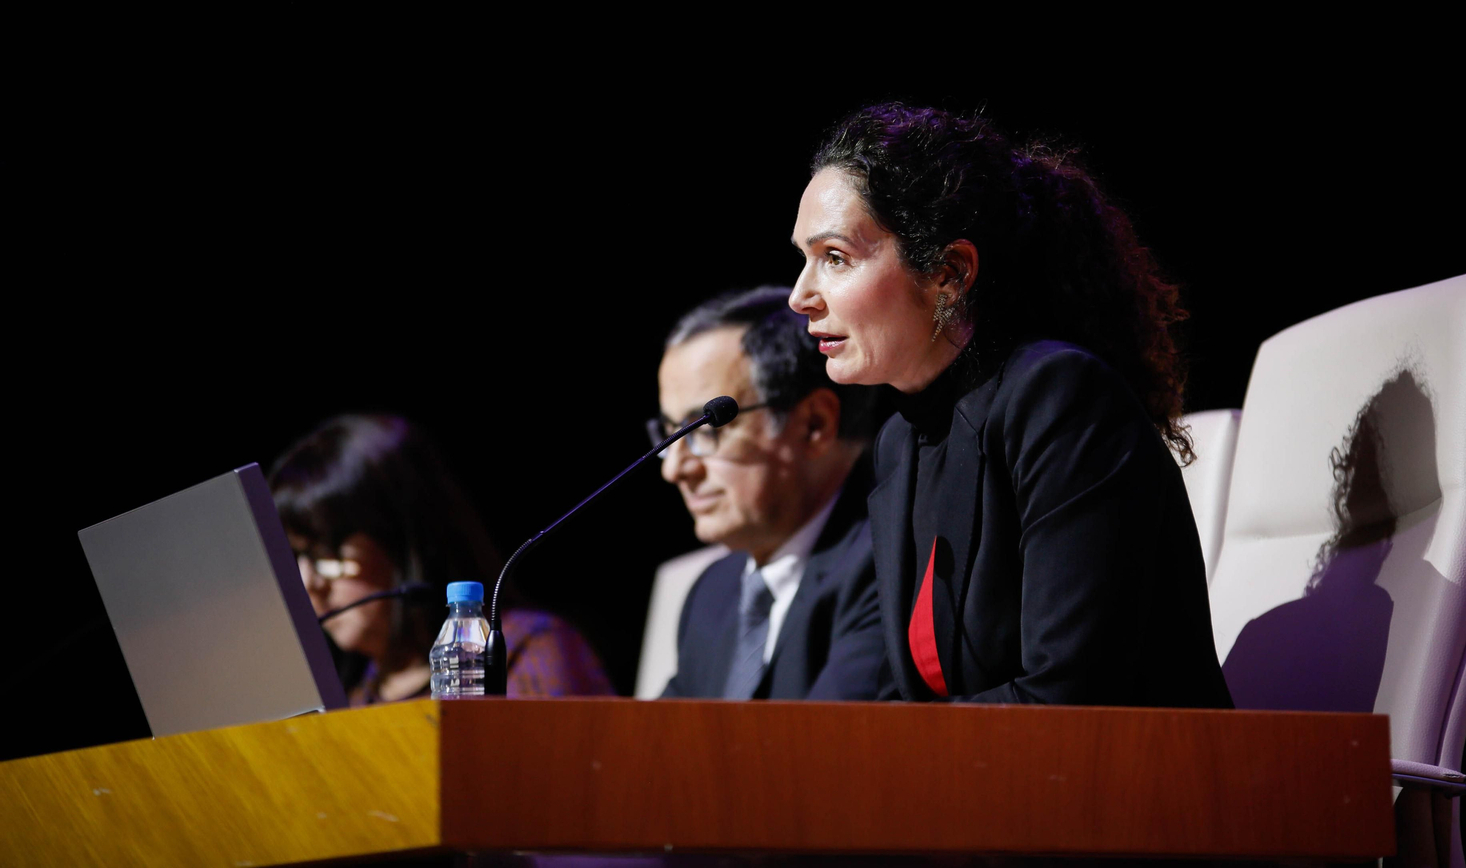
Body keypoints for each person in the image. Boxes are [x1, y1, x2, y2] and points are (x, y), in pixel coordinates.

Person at [788, 104, 1233, 707]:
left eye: (835, 258)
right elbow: (902, 704)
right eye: (804, 260)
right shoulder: (900, 442)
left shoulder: (1060, 400)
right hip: (994, 783)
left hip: (1138, 786)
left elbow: (1071, 698)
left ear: (949, 273)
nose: (800, 297)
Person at [270, 414, 613, 704]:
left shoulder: (527, 652)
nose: (310, 585)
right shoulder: (358, 699)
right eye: (298, 557)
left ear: (403, 539)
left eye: (326, 554)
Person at [653, 287, 886, 700]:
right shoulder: (712, 594)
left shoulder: (889, 566)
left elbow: (826, 753)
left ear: (814, 424)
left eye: (704, 429)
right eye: (670, 433)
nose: (675, 469)